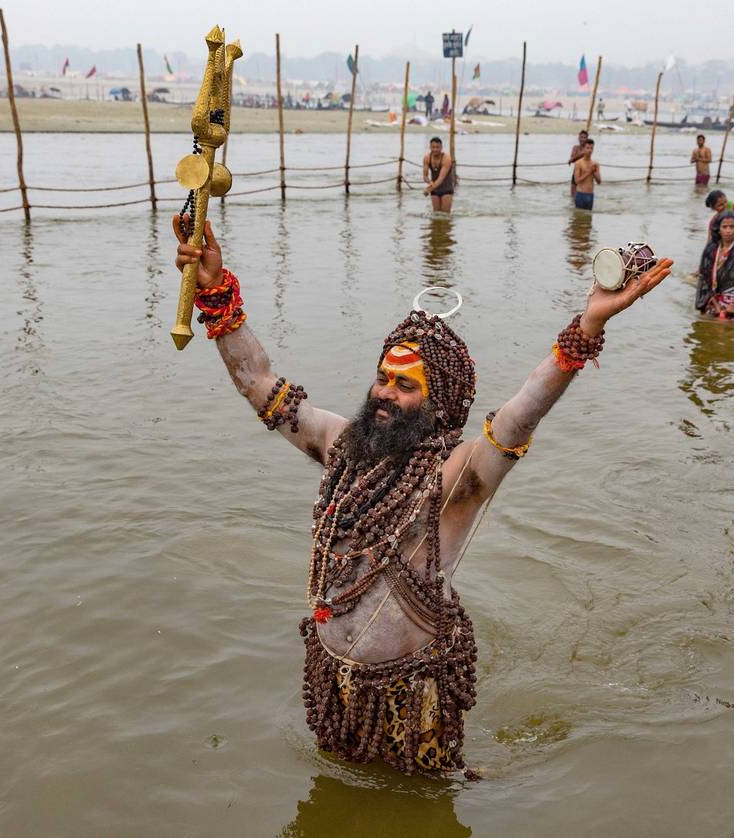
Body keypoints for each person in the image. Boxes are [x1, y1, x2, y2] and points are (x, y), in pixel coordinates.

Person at [172, 215, 673, 778]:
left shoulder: (455, 480)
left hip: (415, 698)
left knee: (420, 799)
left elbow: (518, 416)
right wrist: (215, 293)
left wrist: (587, 325)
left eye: (405, 385)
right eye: (384, 377)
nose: (385, 392)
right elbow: (258, 382)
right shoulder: (342, 446)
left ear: (439, 406)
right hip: (331, 680)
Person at [695, 210, 734, 319]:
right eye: (724, 227)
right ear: (718, 230)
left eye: (732, 227)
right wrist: (714, 302)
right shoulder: (711, 249)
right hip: (712, 300)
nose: (728, 231)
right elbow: (704, 278)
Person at [422, 137, 454, 213]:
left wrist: (428, 189)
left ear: (441, 147)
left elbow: (441, 179)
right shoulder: (427, 157)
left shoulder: (446, 158)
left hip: (446, 188)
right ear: (430, 147)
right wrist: (430, 183)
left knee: (445, 216)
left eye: (437, 147)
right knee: (436, 215)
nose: (435, 149)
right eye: (433, 147)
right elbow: (425, 176)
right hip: (434, 189)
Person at [573, 139, 600, 211]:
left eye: (591, 148)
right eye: (587, 148)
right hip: (580, 194)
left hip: (590, 195)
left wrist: (594, 172)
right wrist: (589, 172)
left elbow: (599, 182)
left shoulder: (595, 164)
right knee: (578, 219)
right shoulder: (578, 163)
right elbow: (576, 181)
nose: (590, 150)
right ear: (583, 149)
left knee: (588, 220)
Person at [568, 129, 589, 198]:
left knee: (584, 195)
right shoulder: (575, 147)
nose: (582, 139)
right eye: (581, 137)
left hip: (585, 173)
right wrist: (580, 154)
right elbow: (572, 159)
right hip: (576, 172)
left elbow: (585, 155)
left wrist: (572, 159)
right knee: (573, 196)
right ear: (578, 138)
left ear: (587, 139)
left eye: (584, 137)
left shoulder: (589, 148)